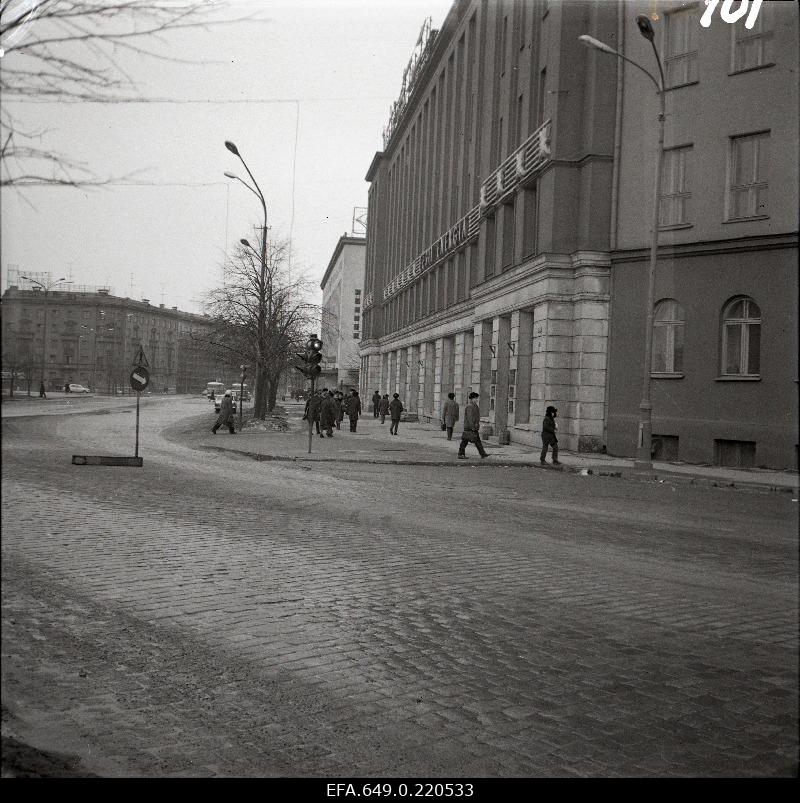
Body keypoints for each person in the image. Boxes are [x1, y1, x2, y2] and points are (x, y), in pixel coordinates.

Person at [457, 391, 488, 459]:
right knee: (466, 440)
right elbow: (470, 417)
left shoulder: (474, 405)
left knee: (474, 440)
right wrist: (473, 427)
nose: (477, 399)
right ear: (472, 399)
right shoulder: (470, 406)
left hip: (472, 427)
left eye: (477, 398)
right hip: (470, 427)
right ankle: (461, 454)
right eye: (476, 398)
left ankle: (482, 453)